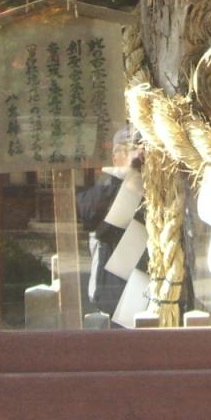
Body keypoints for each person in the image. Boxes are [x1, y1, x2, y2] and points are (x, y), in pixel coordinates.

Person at [77, 127, 141, 316]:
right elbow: (89, 216)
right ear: (115, 157)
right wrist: (128, 179)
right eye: (128, 150)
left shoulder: (159, 190)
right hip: (114, 295)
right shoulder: (107, 187)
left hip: (152, 288)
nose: (137, 157)